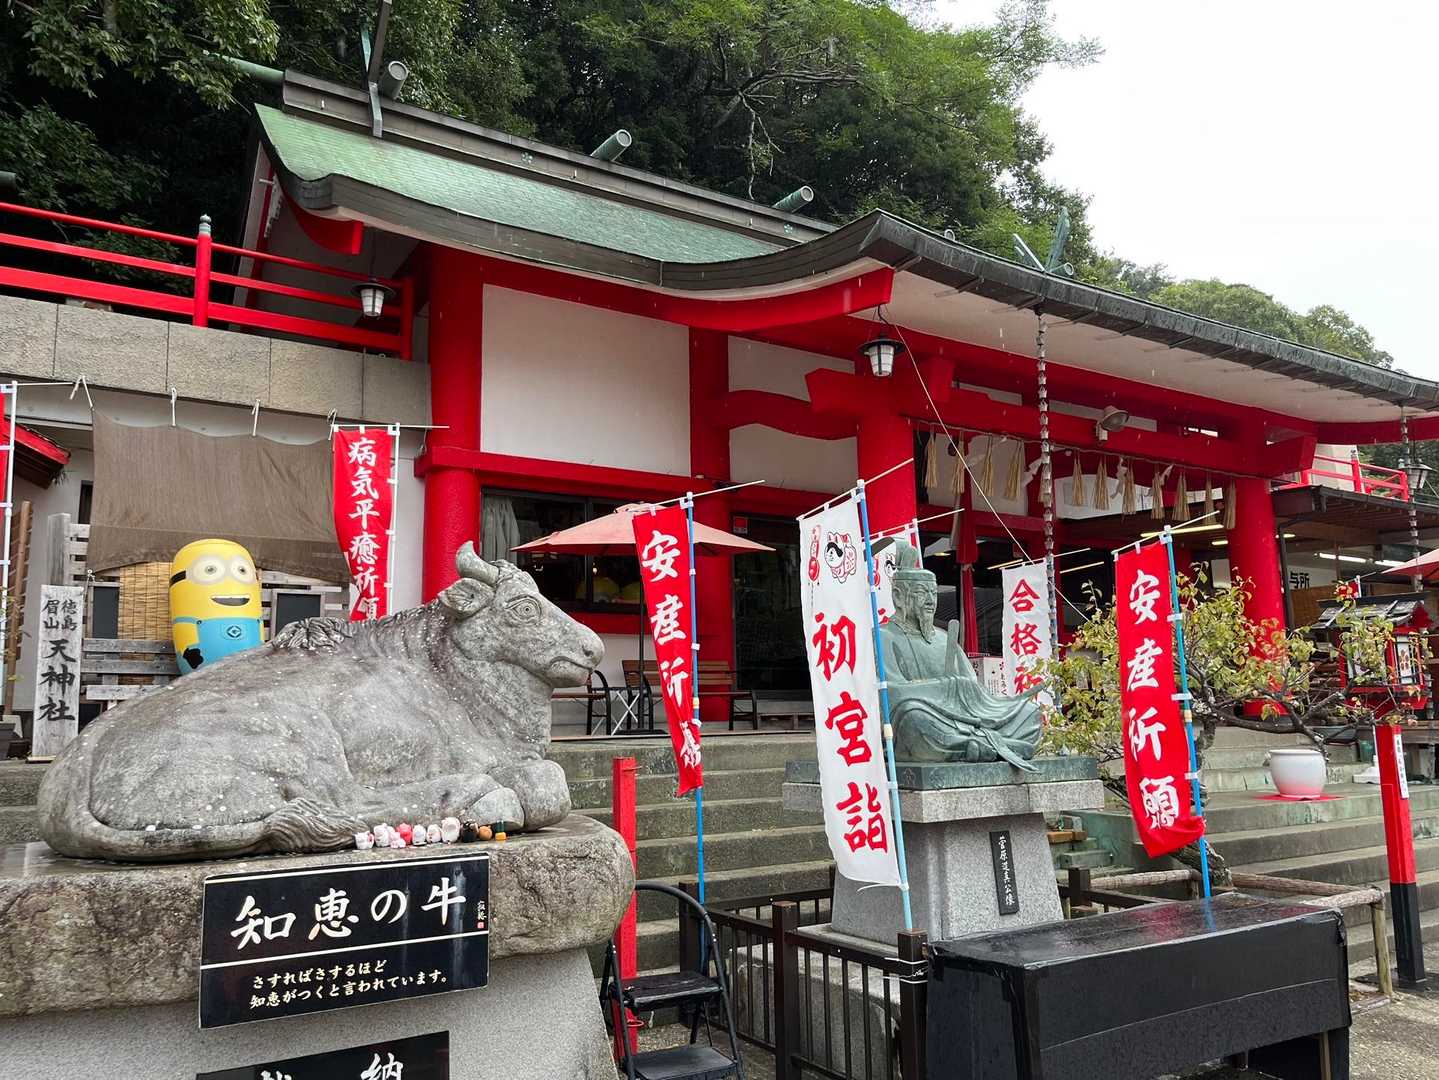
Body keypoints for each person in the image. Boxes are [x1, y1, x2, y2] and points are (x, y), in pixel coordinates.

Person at [878, 541, 1041, 768]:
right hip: (930, 716)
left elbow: (974, 687)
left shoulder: (944, 637)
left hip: (965, 715)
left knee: (1029, 712)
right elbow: (891, 693)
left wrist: (963, 688)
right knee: (913, 716)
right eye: (921, 593)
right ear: (898, 596)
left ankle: (975, 745)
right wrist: (945, 687)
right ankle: (991, 745)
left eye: (933, 593)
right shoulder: (884, 636)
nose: (930, 601)